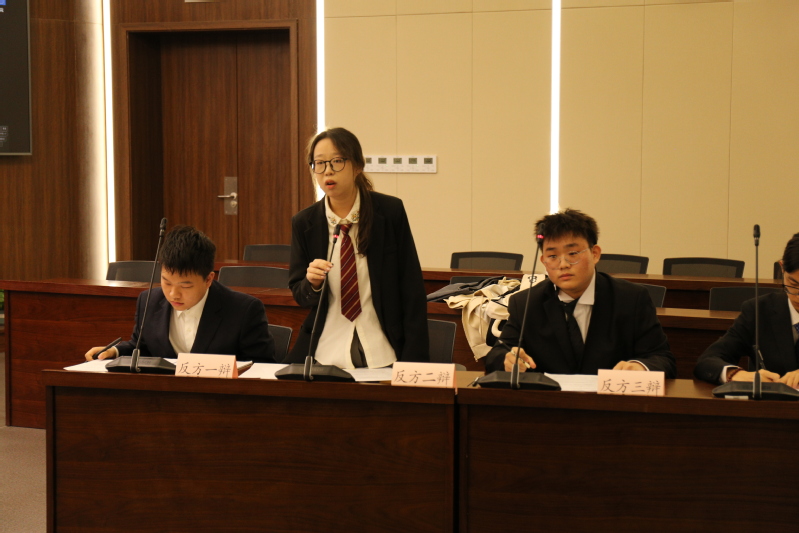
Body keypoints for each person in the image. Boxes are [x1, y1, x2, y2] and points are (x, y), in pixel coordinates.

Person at [287, 127, 428, 368]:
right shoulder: (304, 222)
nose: (328, 170)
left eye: (337, 161)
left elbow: (411, 288)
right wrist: (313, 283)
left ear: (358, 166)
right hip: (325, 348)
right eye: (319, 163)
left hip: (383, 345)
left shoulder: (389, 212)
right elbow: (300, 294)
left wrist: (413, 363)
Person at [483, 208, 676, 377]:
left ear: (595, 253)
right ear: (543, 261)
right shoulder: (526, 303)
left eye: (573, 254)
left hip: (610, 400)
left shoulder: (631, 298)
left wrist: (640, 367)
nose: (563, 264)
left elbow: (661, 358)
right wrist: (507, 360)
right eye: (553, 256)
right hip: (550, 402)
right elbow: (498, 354)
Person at [85, 225, 276, 363]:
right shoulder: (149, 301)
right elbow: (142, 347)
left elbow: (262, 366)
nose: (173, 294)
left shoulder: (243, 310)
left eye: (185, 286)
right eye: (166, 282)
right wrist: (115, 352)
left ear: (209, 279)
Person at [695, 233, 799, 388]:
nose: (798, 297)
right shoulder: (759, 310)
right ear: (782, 268)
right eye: (793, 284)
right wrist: (735, 374)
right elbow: (707, 361)